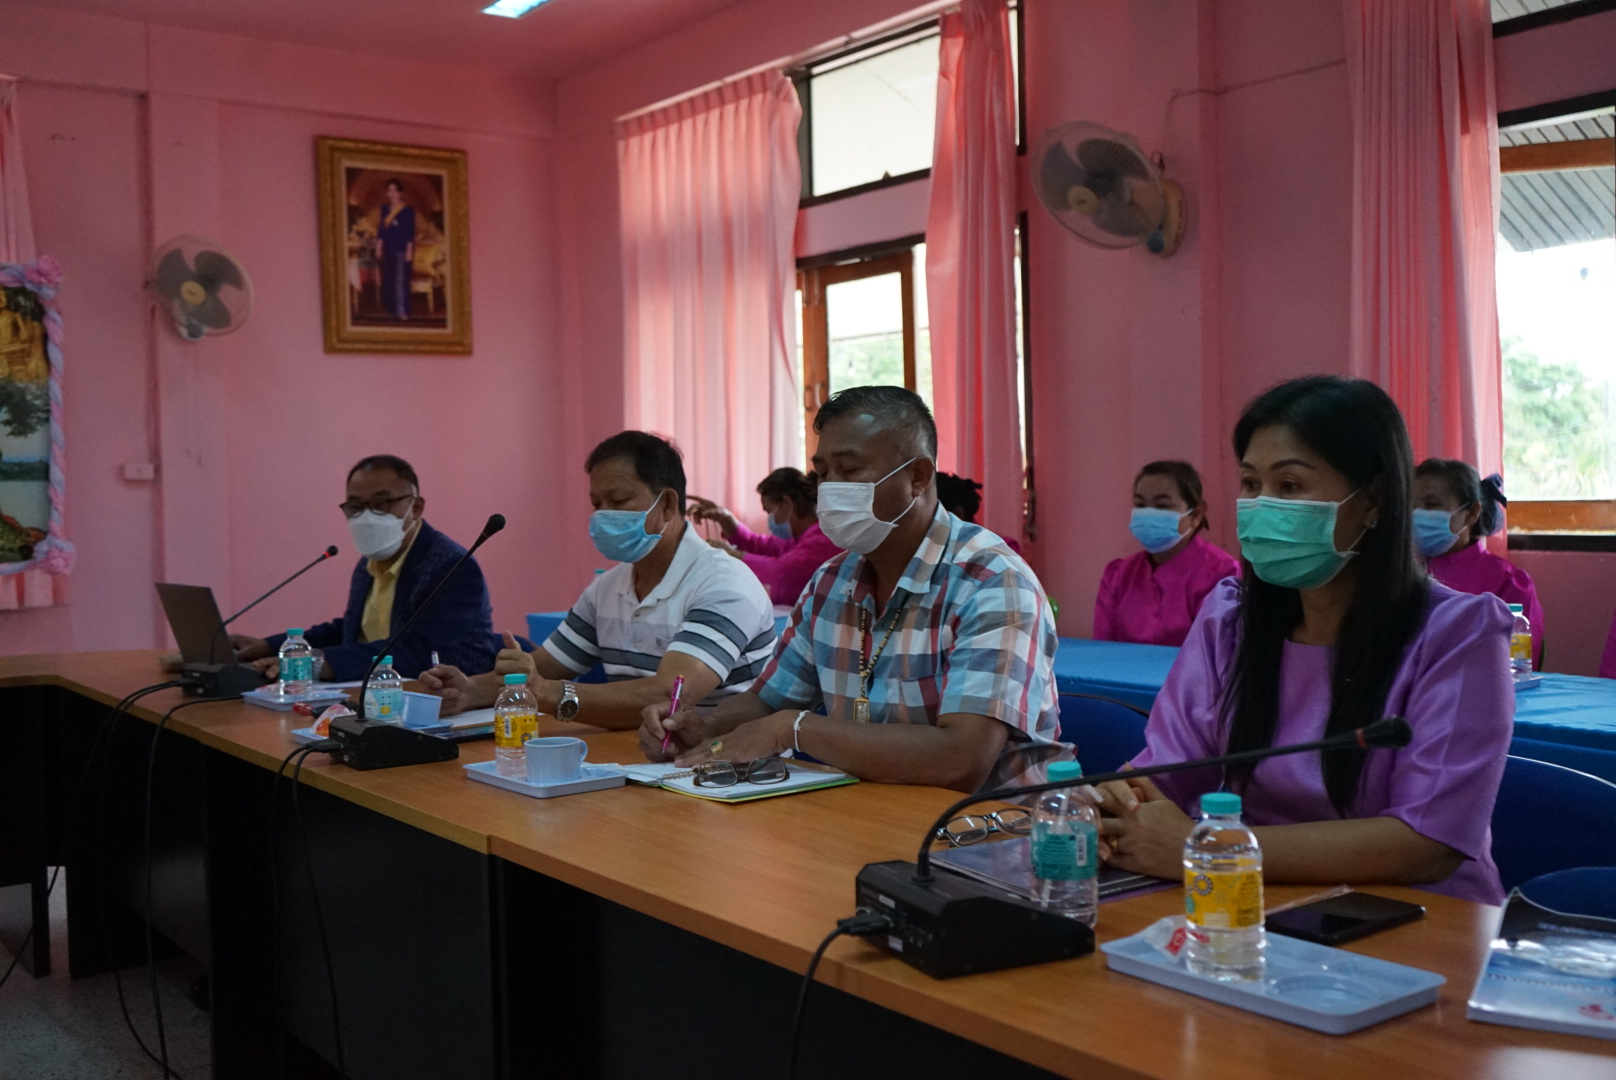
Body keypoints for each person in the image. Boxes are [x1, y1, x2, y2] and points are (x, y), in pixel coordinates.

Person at [1093, 376, 1513, 904]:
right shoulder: (1231, 617)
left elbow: (1427, 841)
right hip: (1252, 902)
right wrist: (1113, 803)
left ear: (1375, 501)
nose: (1262, 506)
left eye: (1289, 486)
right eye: (1250, 484)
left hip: (1416, 919)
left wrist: (1208, 848)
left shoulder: (1459, 634)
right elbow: (1171, 768)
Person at [639, 386, 1064, 794]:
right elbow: (765, 703)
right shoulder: (832, 581)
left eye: (850, 469)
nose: (829, 488)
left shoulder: (992, 582)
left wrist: (794, 729)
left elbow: (962, 760)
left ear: (917, 477)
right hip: (863, 813)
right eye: (822, 472)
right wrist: (702, 727)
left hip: (990, 837)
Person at [420, 431, 776, 730]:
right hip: (644, 760)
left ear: (668, 505)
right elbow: (545, 667)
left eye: (618, 500)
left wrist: (546, 693)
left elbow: (670, 694)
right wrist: (468, 690)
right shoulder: (609, 588)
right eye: (596, 504)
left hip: (728, 768)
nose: (603, 515)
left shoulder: (723, 584)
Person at [230, 454, 498, 682]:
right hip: (377, 696)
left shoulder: (452, 566)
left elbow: (421, 653)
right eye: (356, 506)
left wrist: (324, 662)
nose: (367, 517)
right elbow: (352, 629)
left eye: (380, 504)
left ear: (415, 507)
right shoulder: (369, 562)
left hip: (445, 704)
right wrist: (272, 646)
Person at [1093, 460, 1240, 647]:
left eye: (1162, 506)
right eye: (1140, 505)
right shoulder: (1117, 574)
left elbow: (1216, 653)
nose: (1148, 515)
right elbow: (1101, 652)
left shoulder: (1222, 575)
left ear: (1195, 515)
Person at [1414, 459, 1544, 668]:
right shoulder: (1401, 573)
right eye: (1410, 507)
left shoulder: (1507, 582)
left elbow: (1518, 665)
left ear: (1472, 512)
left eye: (1431, 505)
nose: (1416, 516)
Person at [687, 468, 841, 606]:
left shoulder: (823, 538)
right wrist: (726, 519)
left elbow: (781, 572)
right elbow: (759, 545)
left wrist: (731, 554)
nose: (770, 519)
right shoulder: (799, 537)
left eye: (769, 512)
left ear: (787, 504)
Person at [376, 178, 416, 321]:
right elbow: (382, 230)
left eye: (395, 190)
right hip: (388, 248)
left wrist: (409, 250)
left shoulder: (407, 211)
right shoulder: (385, 209)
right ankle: (391, 308)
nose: (392, 194)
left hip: (401, 249)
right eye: (389, 190)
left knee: (400, 281)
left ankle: (401, 310)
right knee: (388, 279)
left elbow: (410, 232)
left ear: (400, 193)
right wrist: (379, 247)